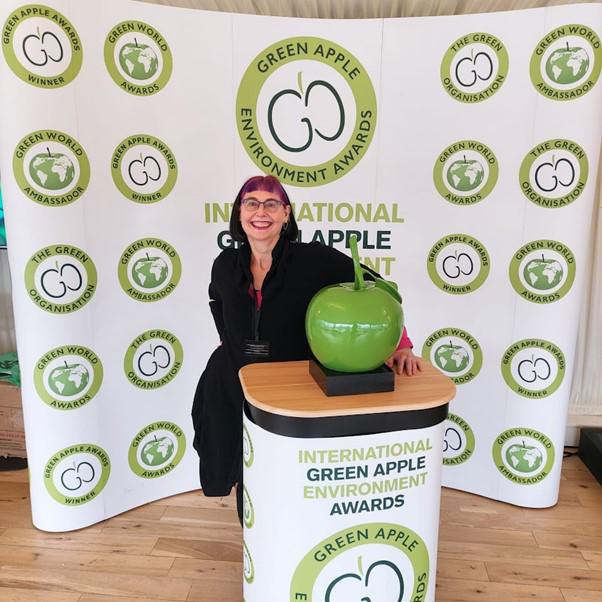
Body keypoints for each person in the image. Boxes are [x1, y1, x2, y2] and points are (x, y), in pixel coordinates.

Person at [192, 175, 422, 523]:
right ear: (239, 213)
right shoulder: (225, 264)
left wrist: (400, 345)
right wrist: (230, 338)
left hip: (293, 389)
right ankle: (255, 543)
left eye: (271, 204)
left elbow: (374, 287)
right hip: (231, 383)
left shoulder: (313, 259)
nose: (261, 211)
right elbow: (216, 301)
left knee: (286, 474)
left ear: (286, 214)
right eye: (251, 202)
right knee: (244, 468)